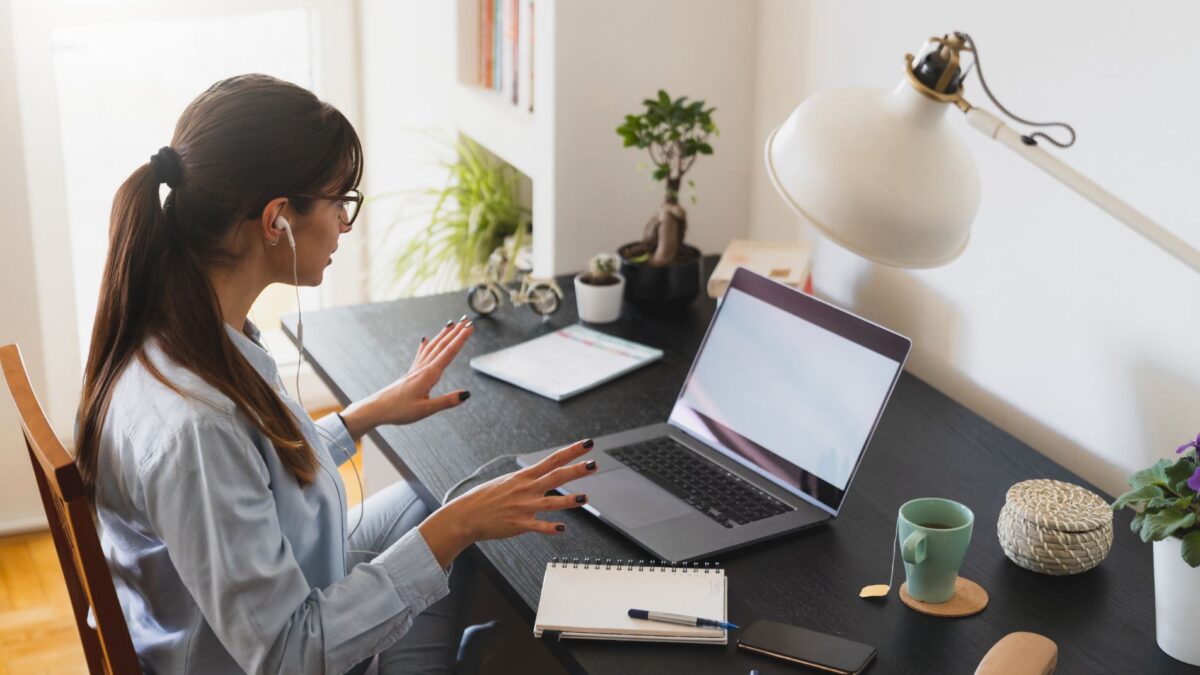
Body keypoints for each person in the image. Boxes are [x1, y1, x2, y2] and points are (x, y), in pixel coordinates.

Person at [74, 74, 594, 674]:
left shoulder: (179, 332)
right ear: (278, 220)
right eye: (339, 201)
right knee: (461, 520)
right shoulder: (199, 426)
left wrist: (365, 414)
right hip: (285, 653)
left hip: (270, 601)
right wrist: (455, 529)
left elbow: (254, 475)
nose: (346, 225)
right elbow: (288, 654)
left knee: (462, 491)